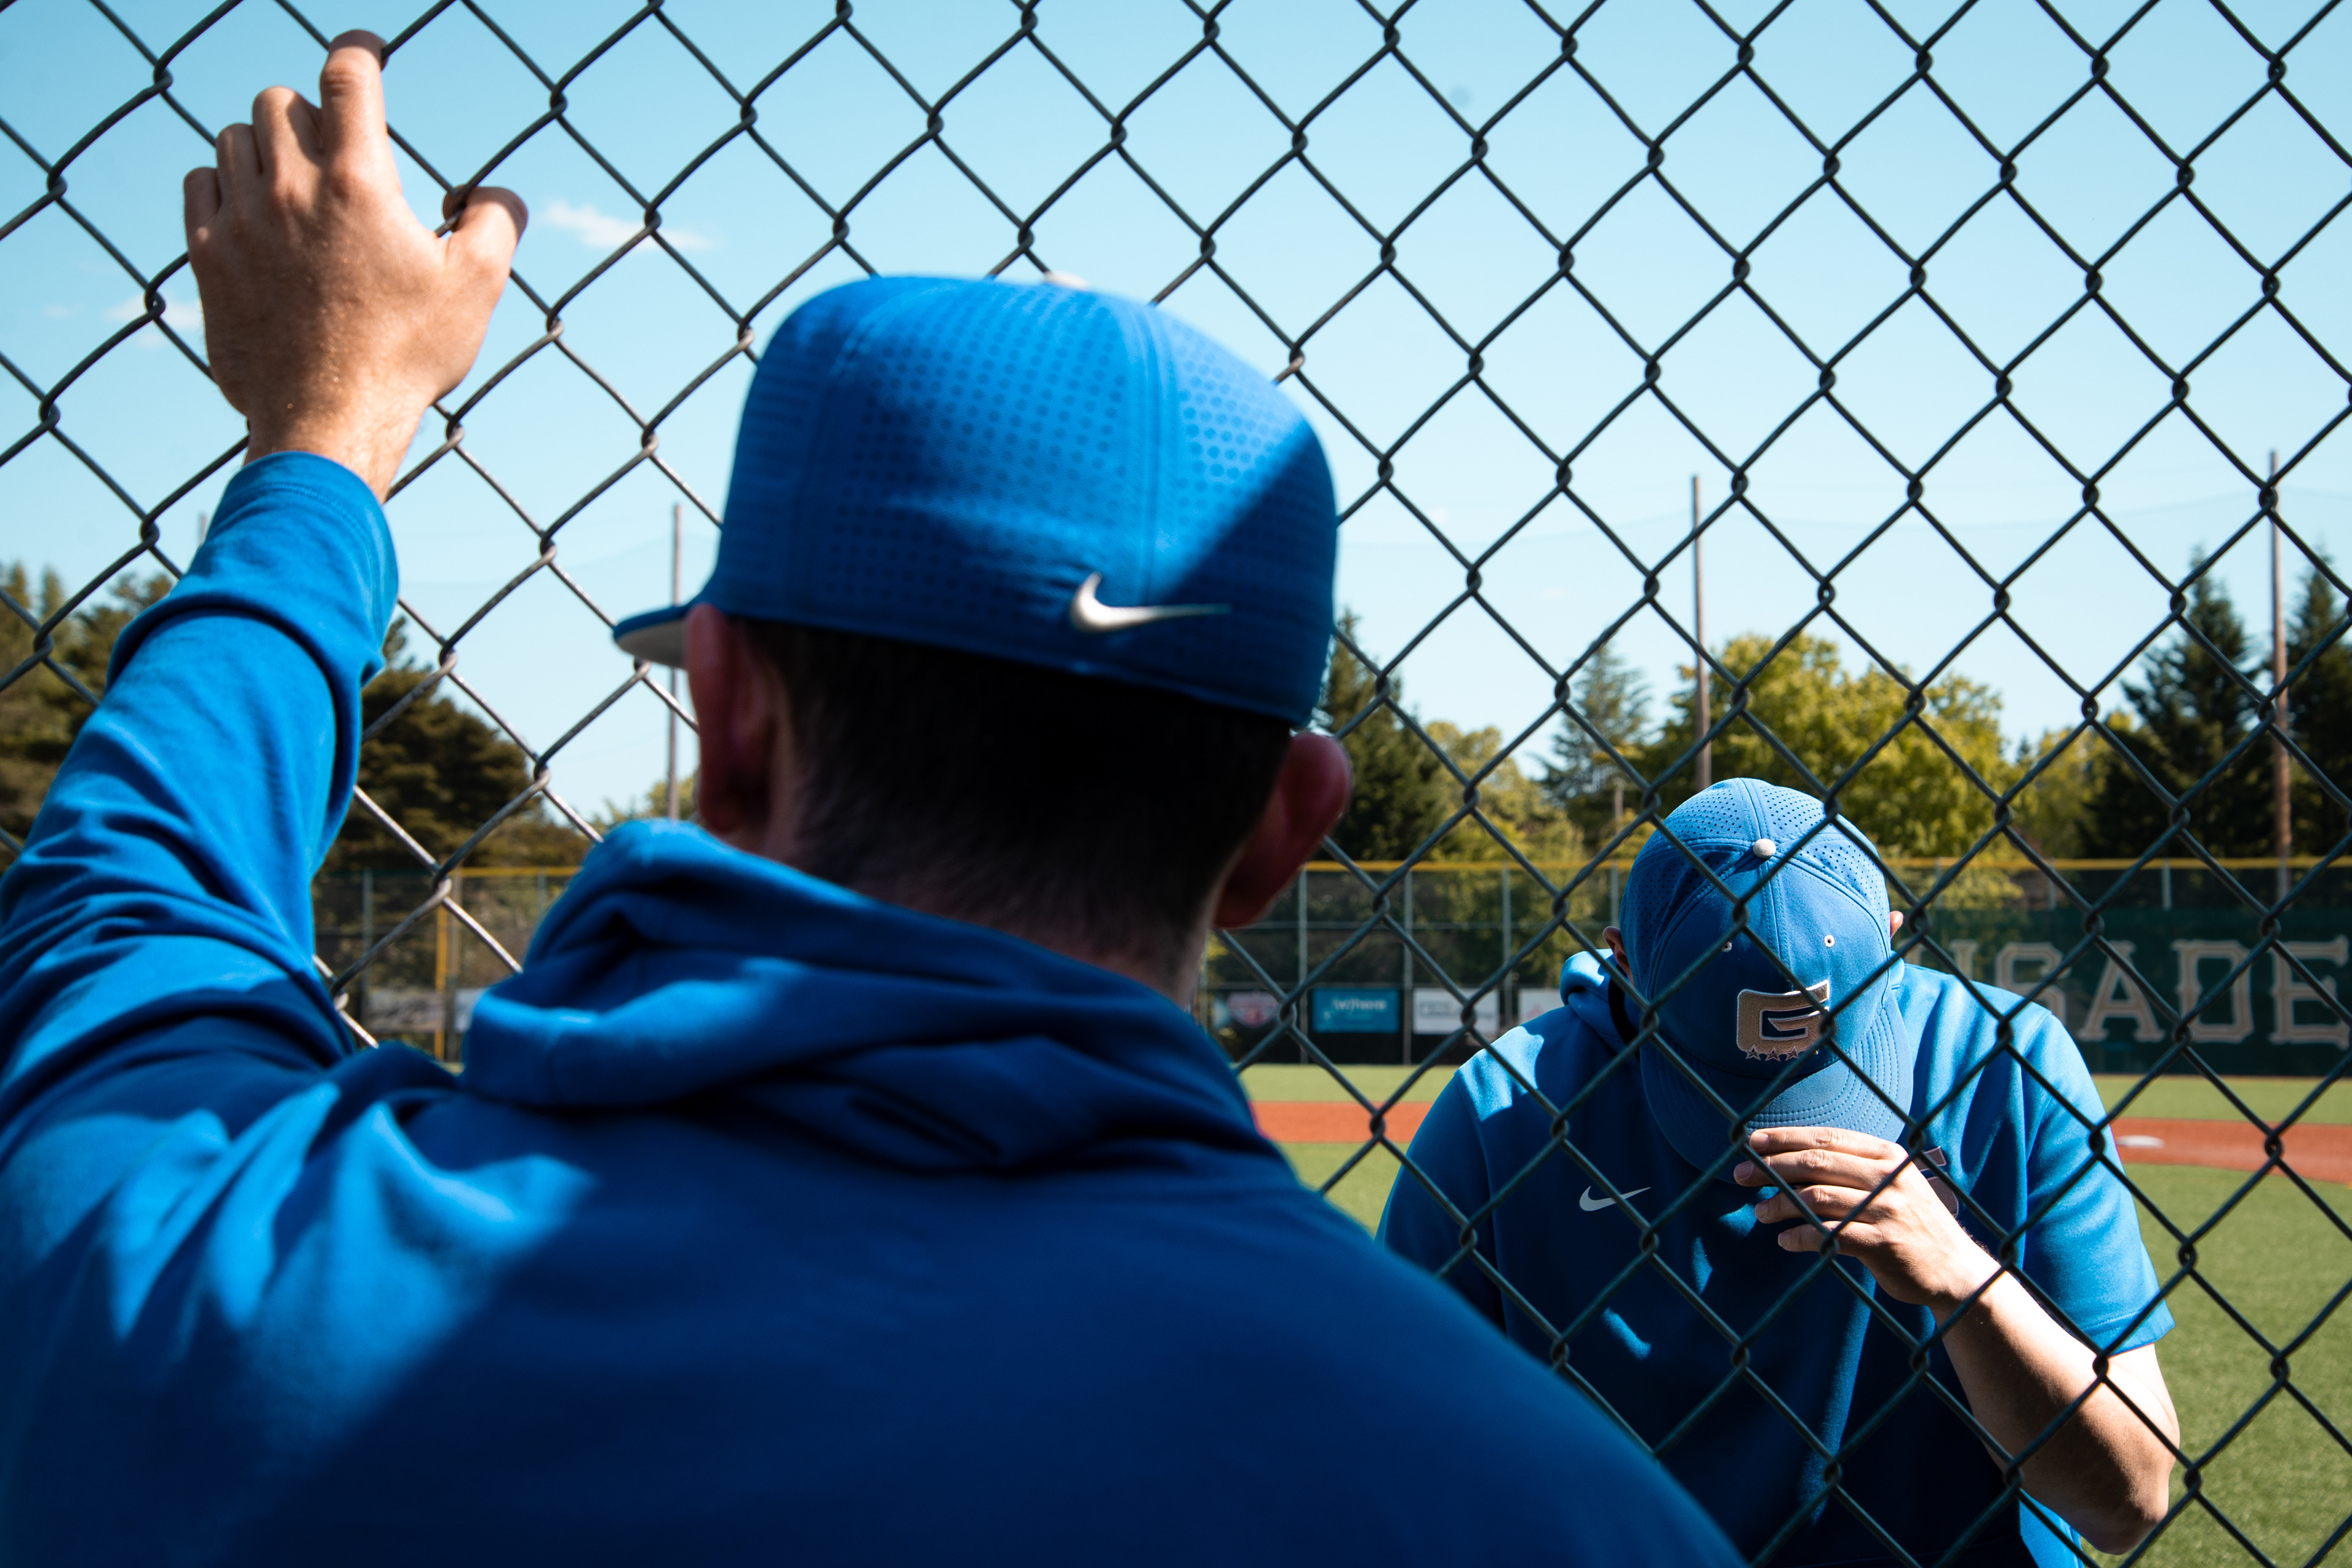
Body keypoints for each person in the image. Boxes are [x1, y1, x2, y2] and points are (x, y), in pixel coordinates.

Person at [0, 36, 1742, 1567]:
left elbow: (125, 909)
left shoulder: (212, 1269)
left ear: (726, 716)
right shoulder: (1552, 1512)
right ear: (1284, 836)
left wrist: (331, 426)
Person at [1381, 778, 2181, 1567]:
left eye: (1824, 1076)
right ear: (1624, 961)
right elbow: (1396, 1466)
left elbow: (2130, 1504)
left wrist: (1961, 1278)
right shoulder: (1507, 1114)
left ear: (1892, 937)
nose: (1772, 1148)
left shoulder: (2006, 1067)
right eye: (1725, 1087)